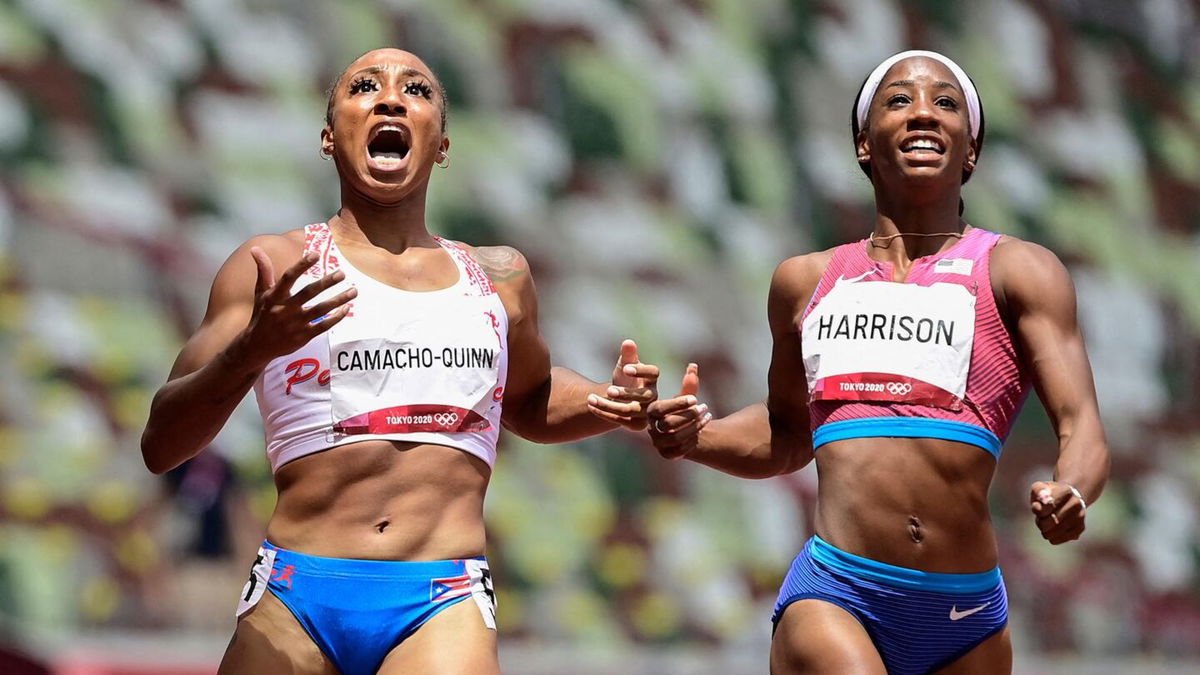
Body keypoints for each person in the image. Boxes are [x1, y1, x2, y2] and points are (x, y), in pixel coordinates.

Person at [140, 47, 658, 674]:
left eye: (416, 89)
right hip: (296, 594)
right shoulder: (271, 265)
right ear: (329, 138)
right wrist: (252, 350)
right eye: (364, 86)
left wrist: (608, 401)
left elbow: (528, 399)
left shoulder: (500, 277)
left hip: (439, 599)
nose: (390, 97)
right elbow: (161, 444)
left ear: (440, 143)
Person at [646, 50, 1110, 675]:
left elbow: (1082, 425)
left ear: (970, 151)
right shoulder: (804, 282)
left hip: (966, 615)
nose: (923, 114)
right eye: (899, 101)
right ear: (864, 144)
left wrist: (1073, 489)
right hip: (838, 592)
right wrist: (696, 438)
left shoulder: (1018, 272)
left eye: (946, 103)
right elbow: (787, 435)